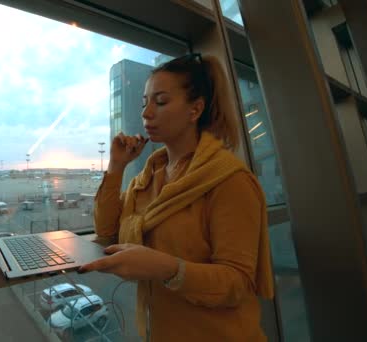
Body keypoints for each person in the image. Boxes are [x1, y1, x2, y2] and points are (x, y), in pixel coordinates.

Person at [78, 54, 274, 341]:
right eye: (144, 102)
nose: (146, 113)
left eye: (160, 101)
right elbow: (107, 232)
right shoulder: (148, 178)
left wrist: (168, 268)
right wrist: (116, 166)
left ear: (195, 109)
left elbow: (238, 283)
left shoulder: (229, 181)